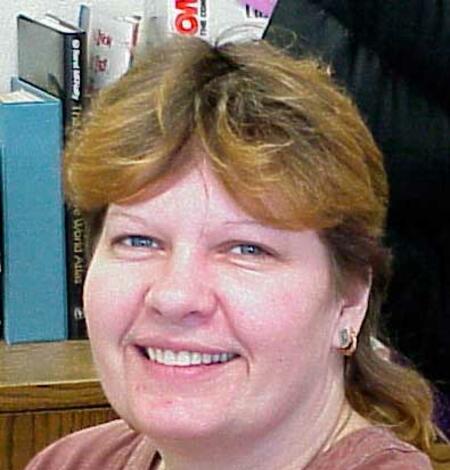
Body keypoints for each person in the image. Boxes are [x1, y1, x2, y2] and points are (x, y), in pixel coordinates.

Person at [25, 36, 449, 469]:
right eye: (138, 241)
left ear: (351, 300)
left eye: (247, 249)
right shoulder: (70, 461)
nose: (174, 297)